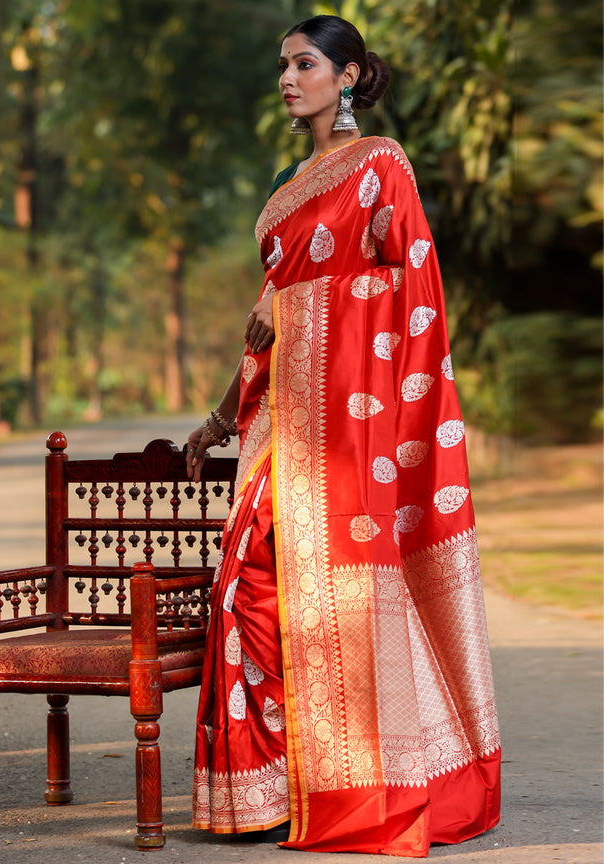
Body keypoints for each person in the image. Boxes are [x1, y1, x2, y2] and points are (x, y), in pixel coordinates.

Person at [186, 14, 501, 857]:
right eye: (283, 66)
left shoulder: (380, 166)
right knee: (244, 594)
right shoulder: (290, 180)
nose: (289, 79)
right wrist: (220, 418)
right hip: (278, 436)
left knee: (328, 608)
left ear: (350, 75)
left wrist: (288, 311)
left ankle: (342, 783)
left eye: (305, 64)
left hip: (348, 435)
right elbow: (266, 325)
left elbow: (413, 290)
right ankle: (280, 787)